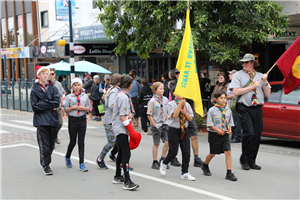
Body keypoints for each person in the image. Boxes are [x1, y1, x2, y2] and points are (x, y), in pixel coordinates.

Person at [230, 53, 270, 170]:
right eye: (243, 62)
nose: (244, 64)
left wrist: (265, 82)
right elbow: (236, 92)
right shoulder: (238, 75)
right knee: (249, 133)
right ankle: (244, 159)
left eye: (246, 62)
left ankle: (252, 160)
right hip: (244, 107)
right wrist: (252, 86)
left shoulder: (260, 76)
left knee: (257, 134)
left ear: (252, 63)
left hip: (257, 107)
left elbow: (267, 94)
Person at [201, 90, 237, 181]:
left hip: (224, 135)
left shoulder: (228, 110)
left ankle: (229, 173)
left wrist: (229, 129)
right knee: (213, 153)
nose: (223, 100)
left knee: (228, 152)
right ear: (216, 99)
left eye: (225, 98)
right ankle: (205, 165)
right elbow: (210, 124)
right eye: (221, 98)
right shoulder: (212, 110)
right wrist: (217, 130)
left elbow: (230, 122)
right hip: (214, 134)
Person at [30, 66, 60, 175]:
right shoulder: (35, 89)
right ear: (38, 75)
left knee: (51, 144)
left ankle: (47, 160)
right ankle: (46, 165)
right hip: (41, 120)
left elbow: (56, 103)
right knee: (44, 144)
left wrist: (42, 103)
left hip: (52, 119)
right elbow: (35, 107)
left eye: (47, 74)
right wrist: (48, 104)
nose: (45, 75)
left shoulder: (53, 88)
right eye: (43, 74)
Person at [159, 94, 196, 181]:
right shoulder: (171, 104)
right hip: (173, 130)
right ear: (175, 94)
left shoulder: (187, 105)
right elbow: (174, 116)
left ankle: (185, 172)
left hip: (184, 129)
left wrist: (185, 113)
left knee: (186, 152)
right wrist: (179, 105)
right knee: (173, 152)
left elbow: (190, 119)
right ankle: (164, 162)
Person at [112, 75, 139, 190]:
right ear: (129, 85)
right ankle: (127, 180)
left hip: (120, 127)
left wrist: (129, 115)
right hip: (121, 128)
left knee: (121, 153)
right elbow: (122, 116)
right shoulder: (123, 97)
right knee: (126, 153)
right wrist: (131, 129)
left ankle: (118, 175)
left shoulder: (122, 95)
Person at [96, 74, 122, 169]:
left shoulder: (115, 90)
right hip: (110, 121)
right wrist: (122, 107)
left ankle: (120, 161)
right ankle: (100, 158)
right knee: (112, 142)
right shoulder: (113, 91)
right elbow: (111, 105)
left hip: (115, 121)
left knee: (120, 141)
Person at [64, 77, 90, 172]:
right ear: (72, 86)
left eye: (78, 85)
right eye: (75, 85)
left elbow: (88, 108)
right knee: (73, 142)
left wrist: (83, 108)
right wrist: (73, 107)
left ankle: (81, 163)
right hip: (73, 120)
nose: (77, 87)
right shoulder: (69, 97)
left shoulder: (85, 96)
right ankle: (67, 156)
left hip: (82, 119)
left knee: (81, 141)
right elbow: (66, 109)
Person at [147, 82, 169, 170]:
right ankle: (155, 161)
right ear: (155, 90)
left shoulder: (166, 99)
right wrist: (154, 124)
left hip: (165, 123)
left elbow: (167, 111)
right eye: (160, 89)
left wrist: (167, 119)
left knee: (167, 142)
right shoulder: (152, 101)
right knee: (156, 143)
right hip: (157, 124)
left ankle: (163, 159)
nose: (162, 90)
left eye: (163, 88)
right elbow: (149, 114)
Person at [49, 68, 65, 145]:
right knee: (51, 124)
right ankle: (52, 141)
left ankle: (55, 135)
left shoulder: (58, 84)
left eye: (52, 74)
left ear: (54, 74)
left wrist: (62, 106)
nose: (51, 75)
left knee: (60, 123)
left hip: (57, 106)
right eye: (49, 74)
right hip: (49, 107)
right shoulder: (46, 84)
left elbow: (61, 95)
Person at [226, 70, 242, 143]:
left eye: (230, 74)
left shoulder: (237, 83)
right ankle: (233, 136)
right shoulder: (230, 84)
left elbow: (235, 94)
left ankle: (237, 136)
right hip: (229, 105)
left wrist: (226, 97)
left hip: (234, 105)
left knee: (236, 121)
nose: (229, 75)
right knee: (232, 121)